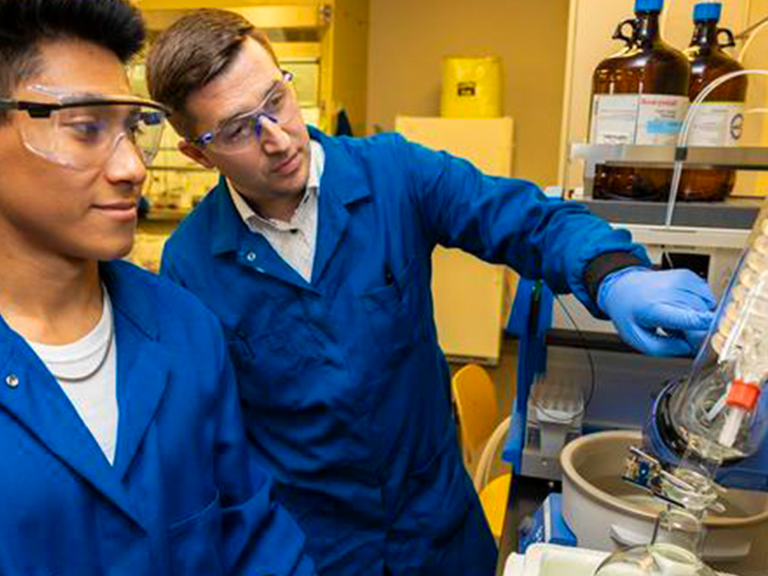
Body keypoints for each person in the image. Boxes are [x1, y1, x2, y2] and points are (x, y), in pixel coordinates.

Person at [147, 9, 717, 576]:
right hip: (316, 550)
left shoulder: (393, 173)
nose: (275, 138)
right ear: (199, 154)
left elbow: (526, 220)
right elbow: (212, 447)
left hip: (437, 528)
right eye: (238, 128)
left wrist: (614, 274)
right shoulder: (191, 264)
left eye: (276, 100)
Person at [0, 1, 317, 575]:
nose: (131, 169)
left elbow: (252, 537)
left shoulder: (185, 329)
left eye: (129, 129)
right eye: (85, 129)